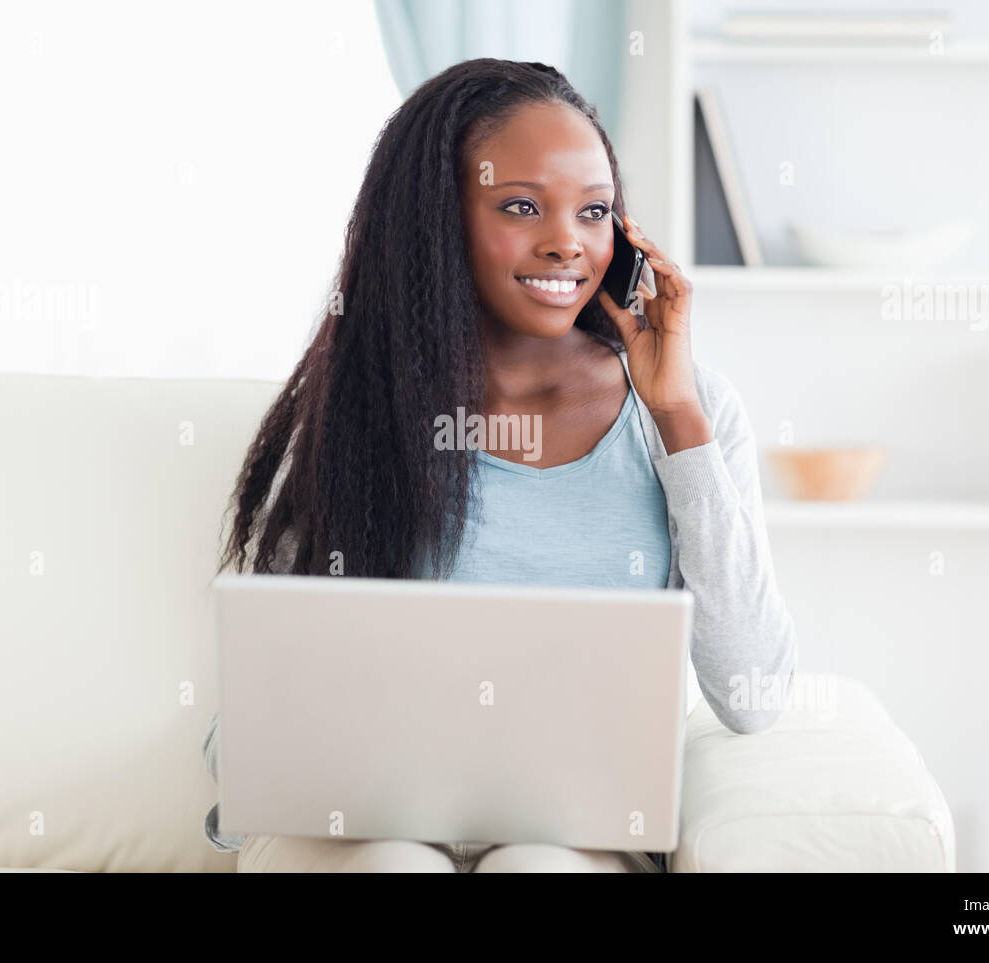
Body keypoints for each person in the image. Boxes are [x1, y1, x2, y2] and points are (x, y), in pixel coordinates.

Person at [203, 58, 799, 873]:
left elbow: (753, 694)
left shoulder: (692, 412)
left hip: (575, 837)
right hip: (365, 827)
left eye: (595, 211)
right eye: (521, 206)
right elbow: (245, 733)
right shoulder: (355, 406)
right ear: (436, 220)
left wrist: (677, 416)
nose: (566, 241)